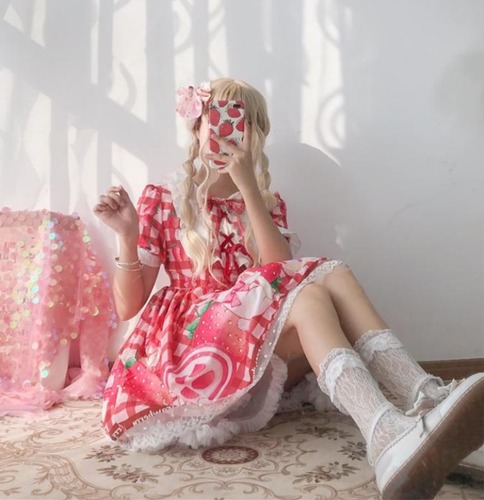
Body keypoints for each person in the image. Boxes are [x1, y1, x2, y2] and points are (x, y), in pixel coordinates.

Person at [93, 78, 483, 499]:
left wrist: (248, 189)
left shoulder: (267, 203)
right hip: (195, 353)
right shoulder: (163, 197)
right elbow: (129, 305)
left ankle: (416, 408)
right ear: (198, 125)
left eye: (239, 120)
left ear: (254, 135)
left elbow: (279, 276)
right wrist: (126, 236)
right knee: (314, 283)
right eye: (215, 116)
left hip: (250, 350)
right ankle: (402, 417)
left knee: (323, 282)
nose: (225, 129)